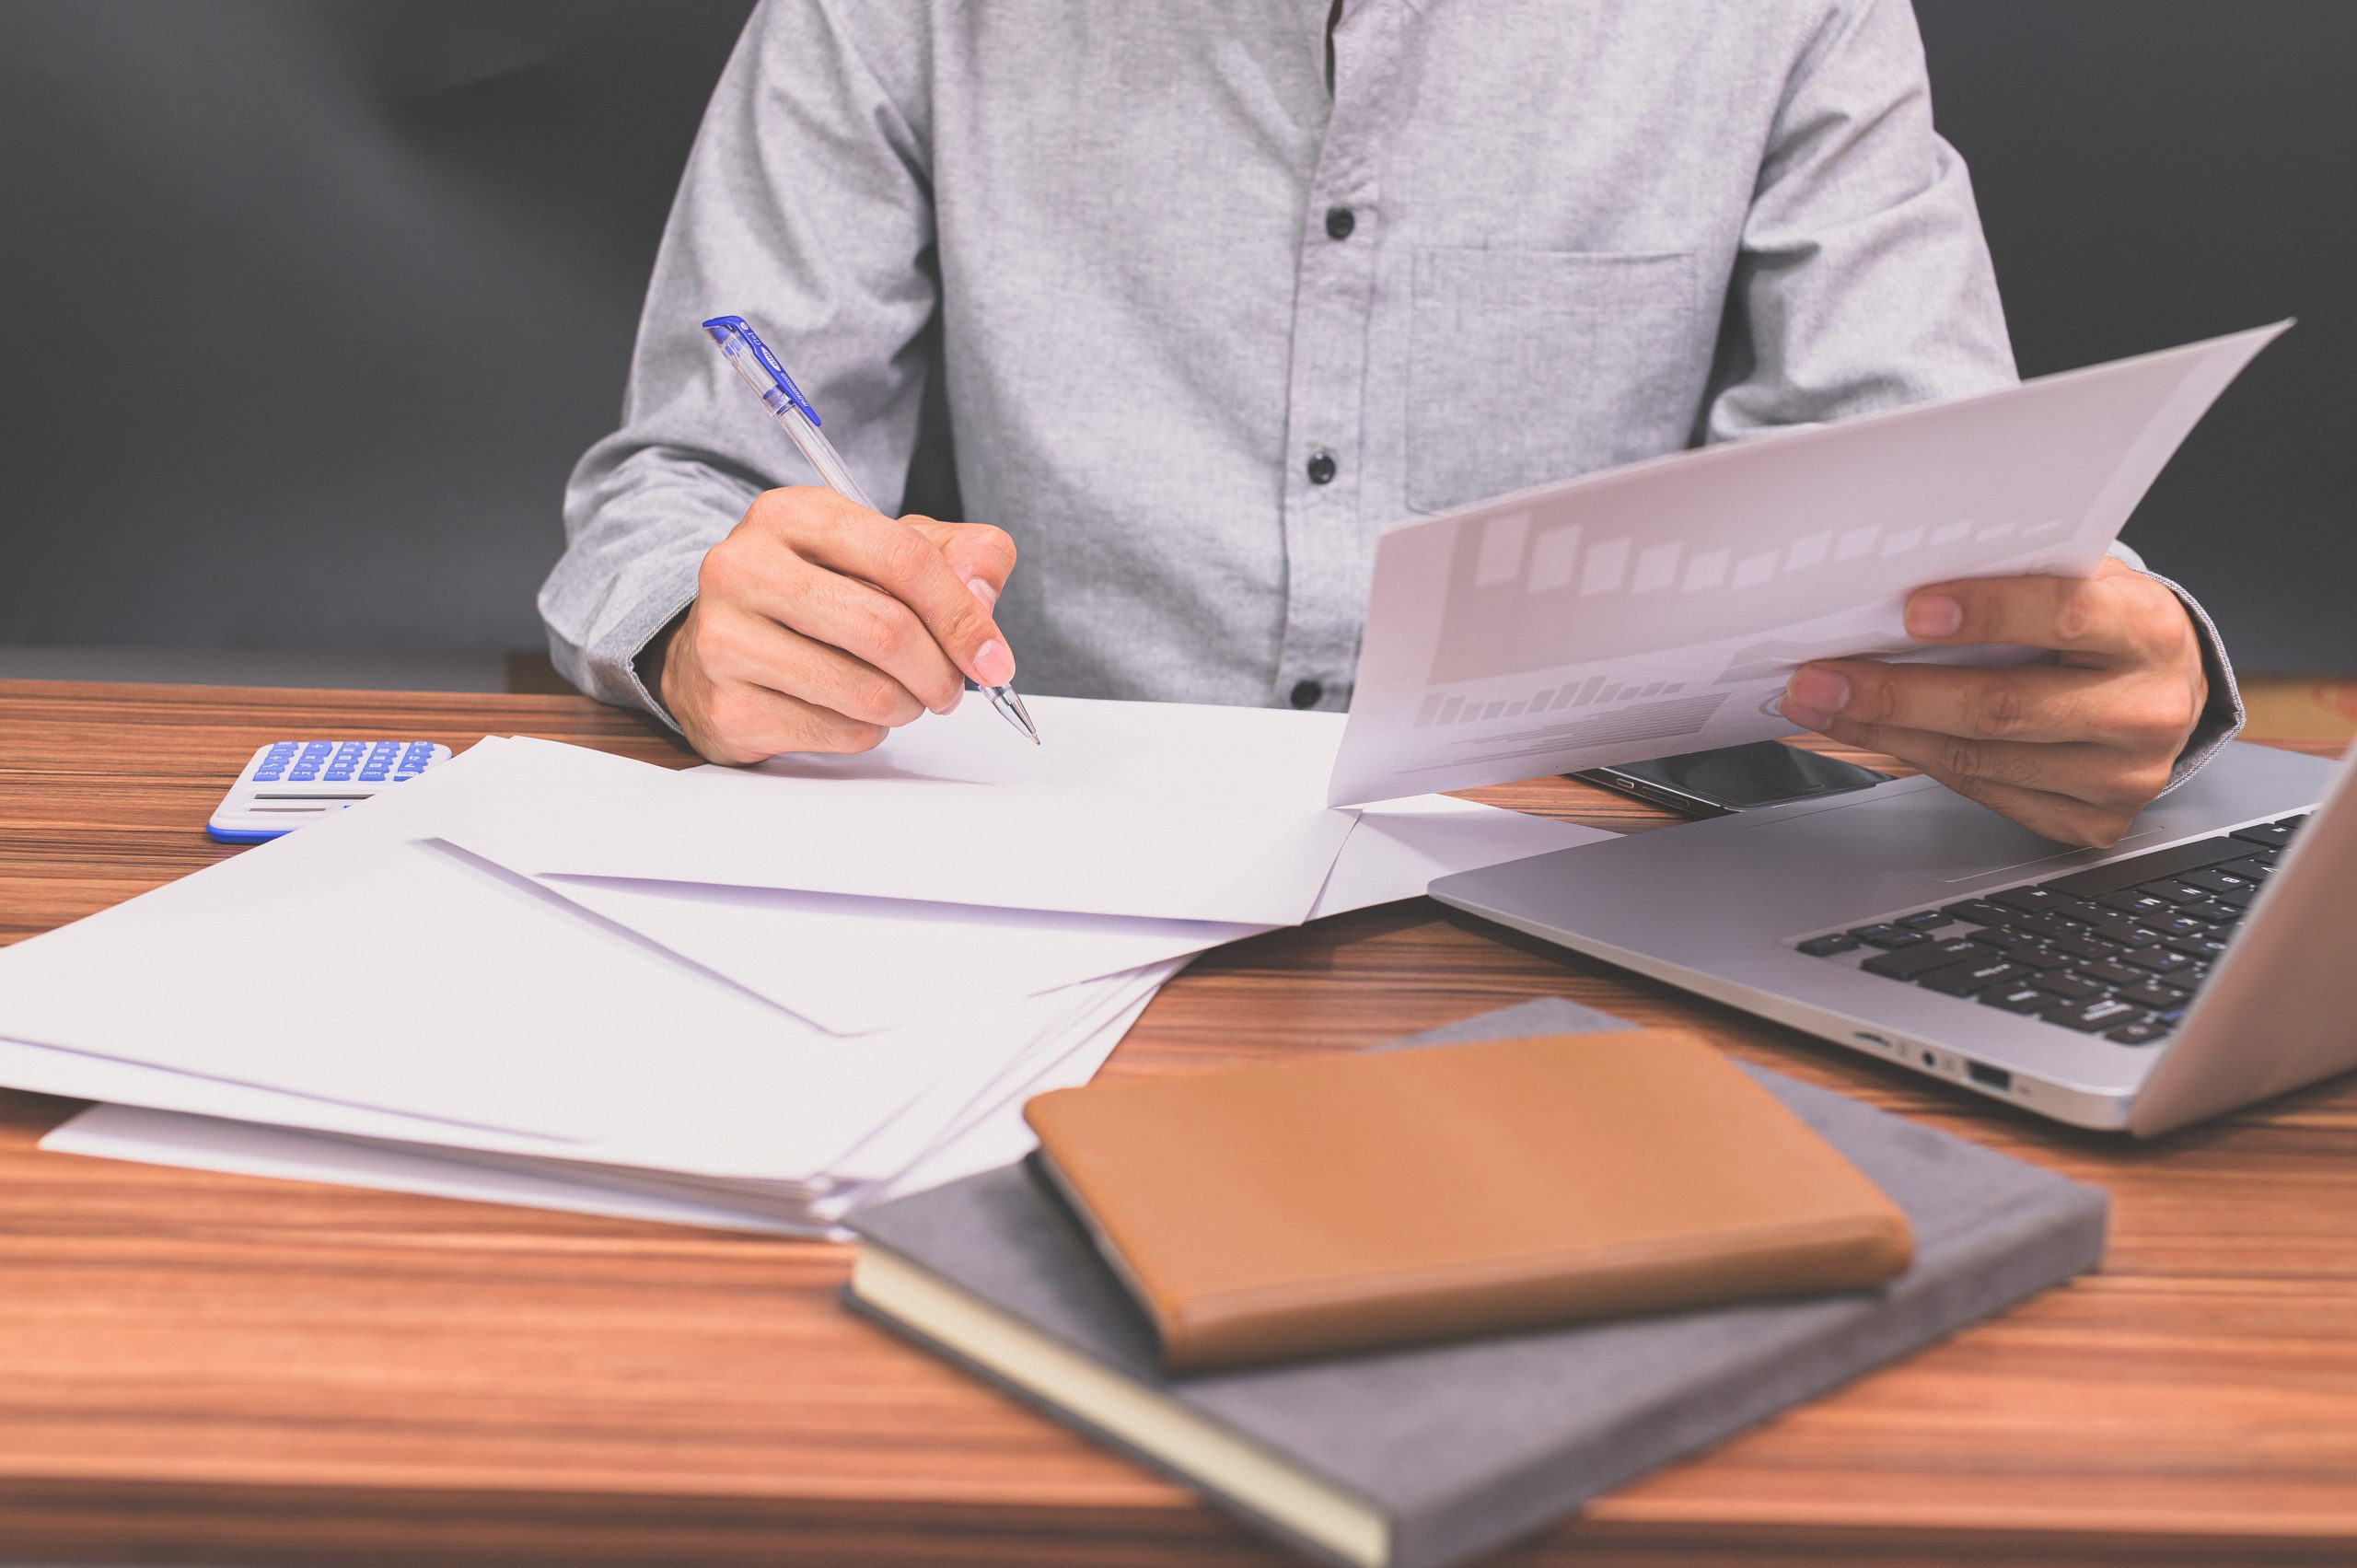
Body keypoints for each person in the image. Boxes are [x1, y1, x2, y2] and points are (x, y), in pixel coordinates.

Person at [542, 0, 2240, 848]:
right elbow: (684, 486)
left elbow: (1942, 536)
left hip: (1599, 898)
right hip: (1053, 876)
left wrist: (2070, 671)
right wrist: (705, 614)